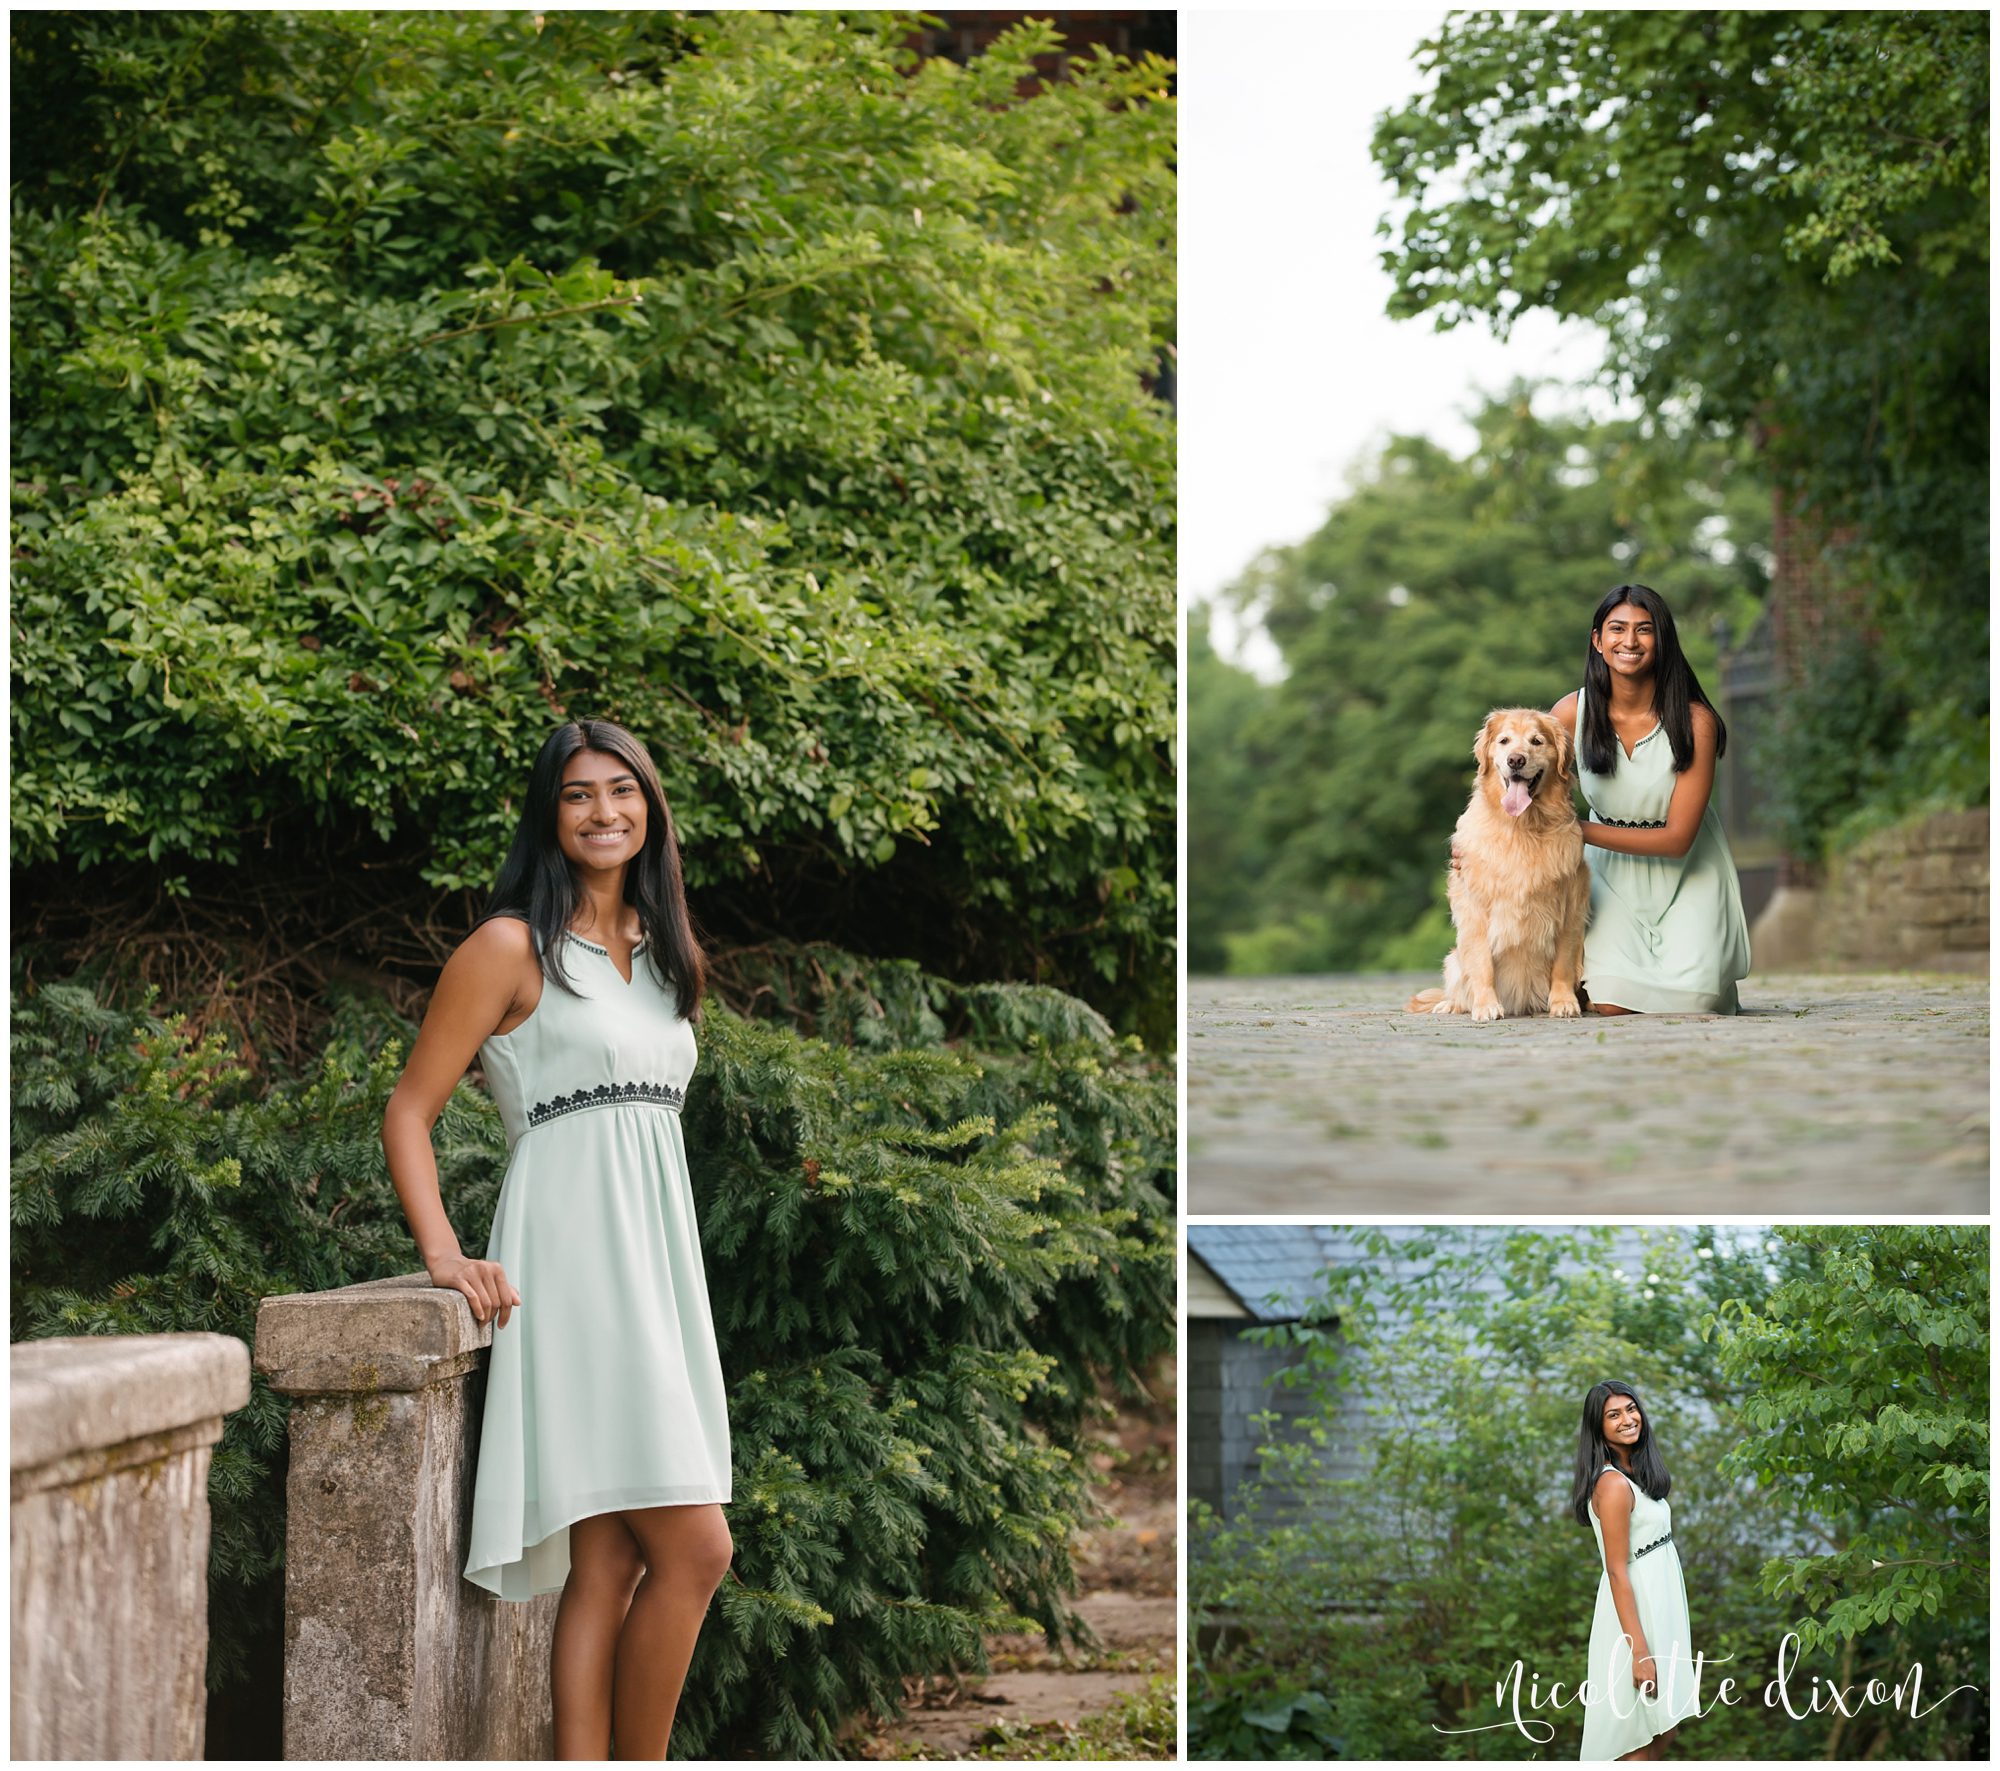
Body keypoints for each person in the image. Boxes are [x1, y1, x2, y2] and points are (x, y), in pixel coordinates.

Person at [382, 718, 733, 1759]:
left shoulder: (667, 957)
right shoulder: (507, 948)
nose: (603, 811)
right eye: (578, 793)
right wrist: (444, 1252)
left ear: (650, 809)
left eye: (621, 790)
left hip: (655, 1267)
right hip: (571, 1265)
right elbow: (409, 1109)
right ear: (550, 814)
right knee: (697, 1549)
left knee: (612, 1560)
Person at [1550, 585, 1751, 1014]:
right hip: (1607, 879)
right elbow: (1519, 782)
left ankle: (1701, 966)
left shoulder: (1696, 721)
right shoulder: (1570, 714)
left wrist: (1574, 830)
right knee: (1612, 1004)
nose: (1629, 641)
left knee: (1696, 1002)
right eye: (1617, 629)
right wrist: (1475, 841)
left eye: (1644, 630)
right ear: (1597, 640)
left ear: (1662, 640)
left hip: (1688, 872)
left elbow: (1677, 839)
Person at [1571, 1380, 1699, 1761]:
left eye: (1631, 1409)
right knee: (1632, 1735)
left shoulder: (1636, 1478)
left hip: (1660, 1610)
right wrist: (1638, 1650)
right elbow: (1615, 1571)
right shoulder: (1612, 1484)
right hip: (1631, 1617)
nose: (1627, 1419)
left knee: (1666, 1722)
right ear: (1598, 1428)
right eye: (1613, 1415)